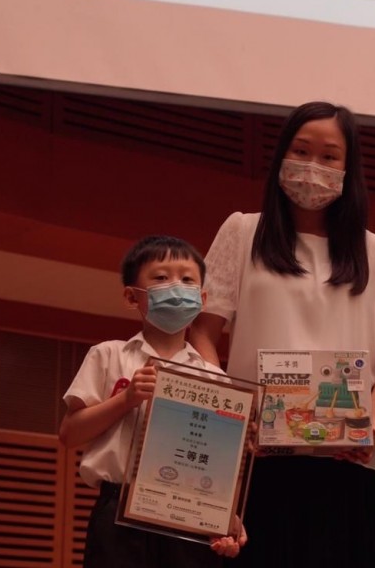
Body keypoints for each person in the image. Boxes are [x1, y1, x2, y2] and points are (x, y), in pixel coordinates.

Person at [190, 100, 375, 568]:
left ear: (349, 169)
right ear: (281, 157)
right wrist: (231, 406)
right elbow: (203, 332)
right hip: (256, 458)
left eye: (330, 156)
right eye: (301, 151)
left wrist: (372, 419)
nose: (313, 166)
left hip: (350, 461)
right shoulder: (242, 231)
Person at [59, 234, 246, 568]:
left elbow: (221, 464)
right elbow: (70, 434)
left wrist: (226, 518)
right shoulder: (108, 355)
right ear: (132, 296)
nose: (176, 287)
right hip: (118, 509)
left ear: (202, 299)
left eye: (187, 280)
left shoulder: (215, 379)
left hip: (189, 512)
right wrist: (127, 399)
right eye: (161, 278)